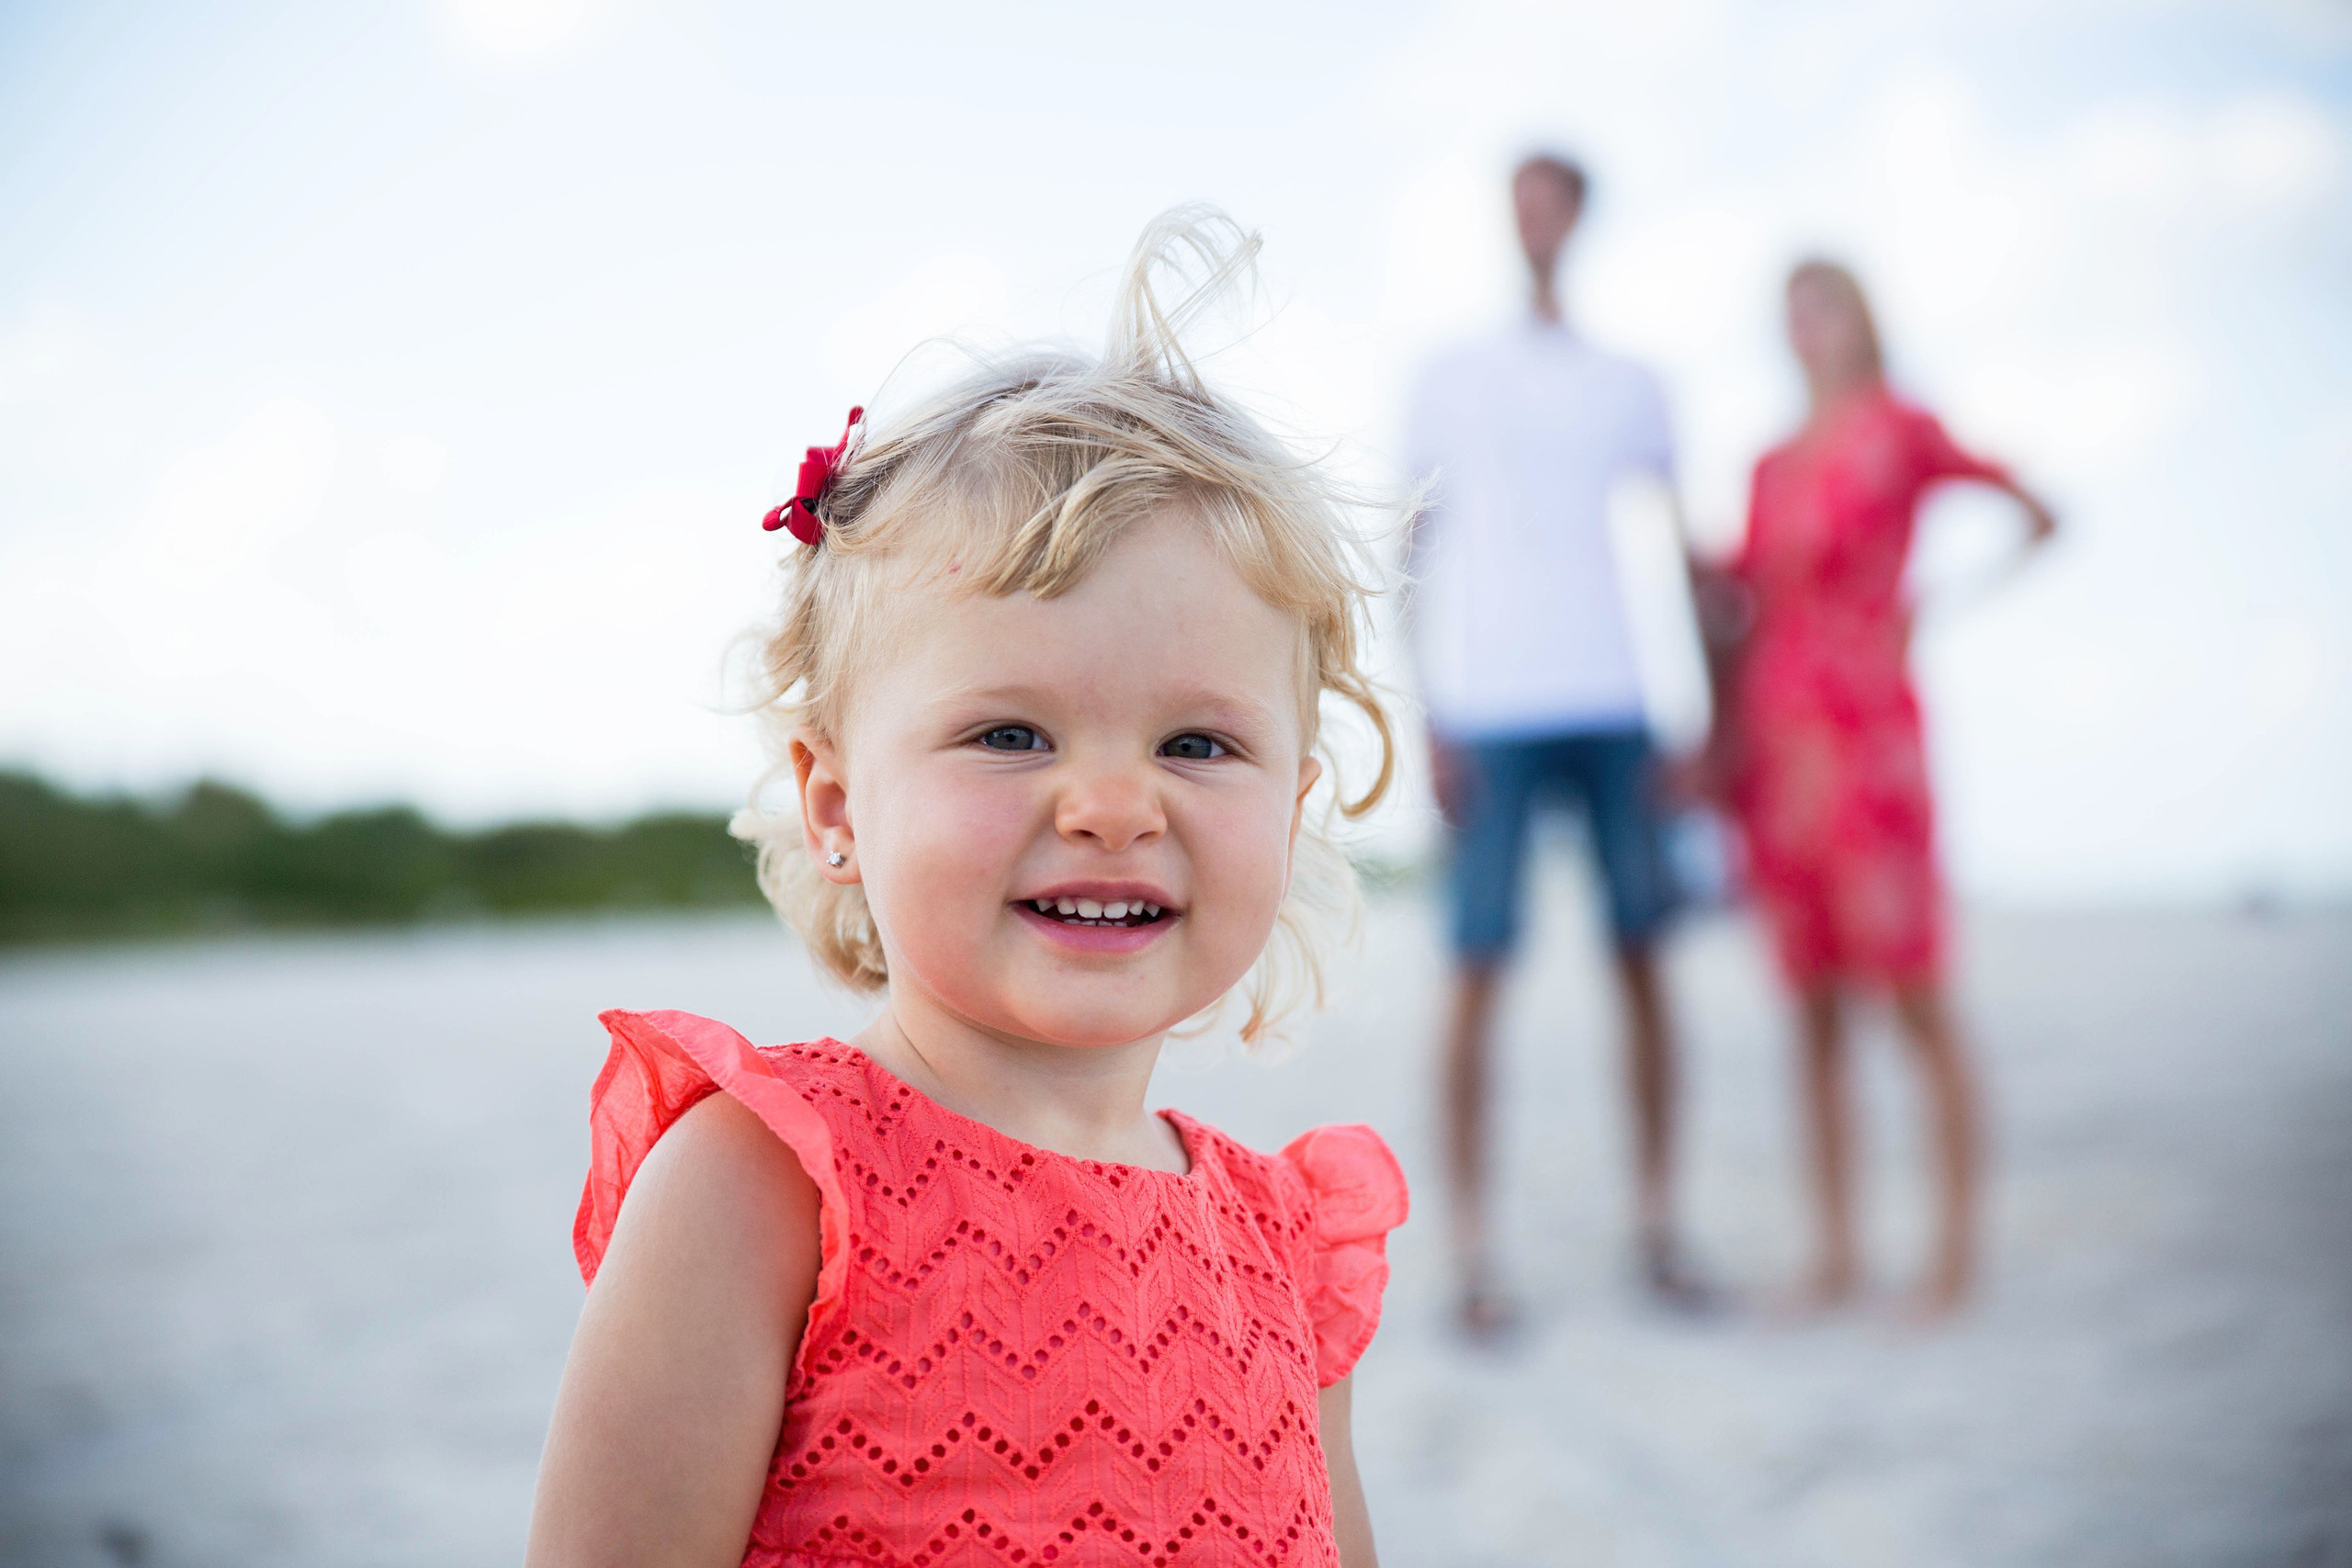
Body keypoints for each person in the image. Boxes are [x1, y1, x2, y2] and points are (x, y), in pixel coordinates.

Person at [525, 210, 1409, 1567]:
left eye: (1198, 743)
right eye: (1010, 733)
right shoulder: (765, 1190)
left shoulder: (1288, 1256)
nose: (1113, 804)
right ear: (837, 805)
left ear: (1291, 806)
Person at [1716, 258, 2056, 1319]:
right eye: (1790, 311)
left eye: (1822, 304)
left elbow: (2037, 511)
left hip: (1869, 743)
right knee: (1809, 1009)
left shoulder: (1902, 429)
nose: (1805, 327)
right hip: (1779, 751)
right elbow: (1744, 604)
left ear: (1860, 317)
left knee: (1914, 997)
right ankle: (1836, 1255)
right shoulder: (1769, 465)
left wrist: (1935, 602)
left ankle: (1952, 1255)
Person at [1404, 153, 1703, 1327]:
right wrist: (1424, 712)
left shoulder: (1630, 379)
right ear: (1507, 215)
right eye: (1520, 197)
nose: (1535, 218)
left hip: (1618, 697)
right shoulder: (1451, 372)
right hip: (1492, 703)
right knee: (1477, 968)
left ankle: (1659, 1228)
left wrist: (1699, 712)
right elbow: (1411, 549)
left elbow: (1676, 551)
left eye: (1553, 198)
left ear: (1578, 216)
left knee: (1644, 961)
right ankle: (1474, 1254)